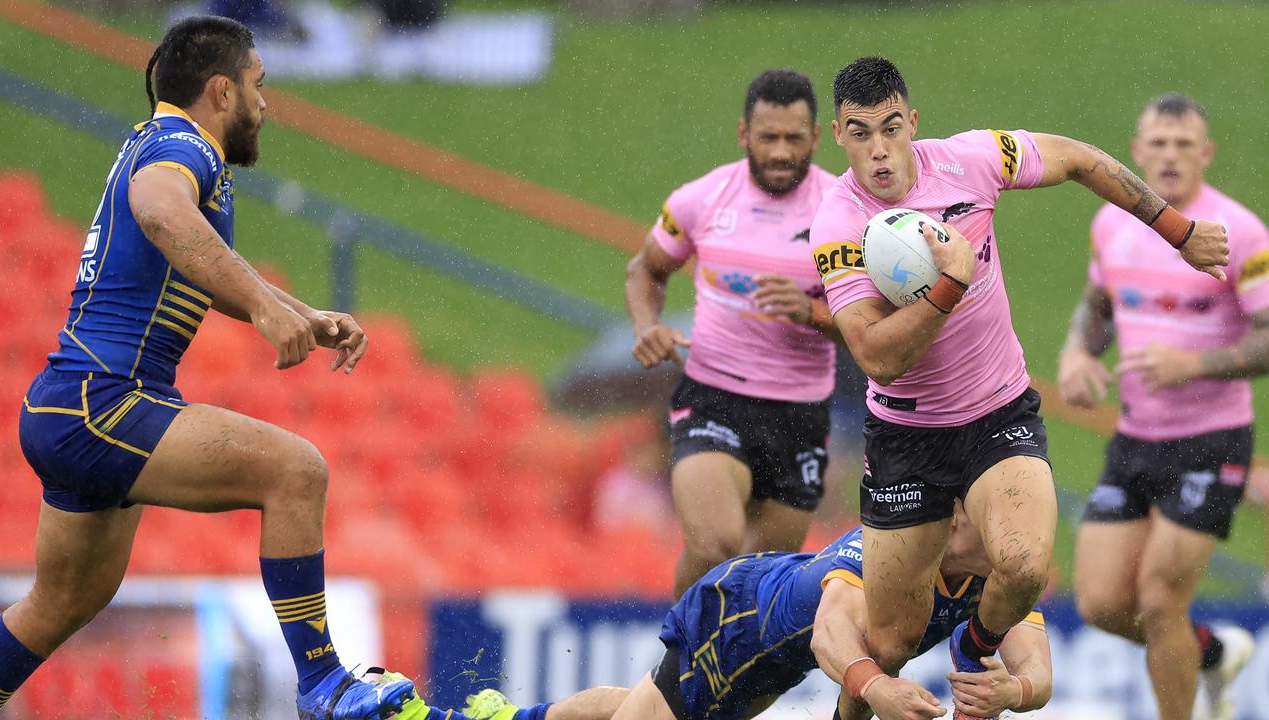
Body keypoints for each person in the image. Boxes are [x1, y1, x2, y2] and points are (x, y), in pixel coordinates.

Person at [0, 17, 414, 719]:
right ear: (221, 90)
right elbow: (158, 211)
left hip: (70, 404)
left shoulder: (156, 142)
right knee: (295, 470)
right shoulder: (184, 146)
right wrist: (267, 310)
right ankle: (324, 685)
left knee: (60, 603)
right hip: (106, 400)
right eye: (257, 85)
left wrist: (295, 312)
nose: (265, 103)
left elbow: (194, 265)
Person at [807, 57, 1229, 720]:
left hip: (997, 413)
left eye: (891, 128)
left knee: (1026, 563)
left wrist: (1176, 229)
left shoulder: (971, 160)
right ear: (838, 134)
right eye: (861, 133)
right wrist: (951, 285)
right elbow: (874, 356)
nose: (880, 151)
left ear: (913, 122)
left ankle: (973, 655)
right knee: (889, 645)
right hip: (907, 436)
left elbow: (1079, 158)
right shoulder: (837, 222)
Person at [384, 501, 1052, 720]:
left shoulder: (1004, 580)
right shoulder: (896, 554)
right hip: (741, 622)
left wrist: (1014, 691)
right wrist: (877, 688)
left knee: (655, 708)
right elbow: (832, 635)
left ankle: (508, 717)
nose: (962, 520)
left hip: (769, 641)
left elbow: (1038, 672)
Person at [1058, 93, 1267, 720]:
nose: (1171, 156)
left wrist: (1192, 365)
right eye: (1159, 144)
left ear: (1206, 153)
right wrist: (1077, 355)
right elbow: (1097, 307)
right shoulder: (1112, 224)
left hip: (1214, 440)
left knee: (1158, 600)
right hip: (1135, 438)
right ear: (1136, 152)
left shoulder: (1243, 232)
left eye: (1184, 144)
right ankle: (1211, 651)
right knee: (1099, 603)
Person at [624, 68, 845, 599]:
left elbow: (880, 323)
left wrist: (811, 312)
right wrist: (647, 325)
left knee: (762, 584)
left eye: (794, 138)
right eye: (768, 137)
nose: (780, 151)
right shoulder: (702, 200)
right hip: (714, 399)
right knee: (714, 544)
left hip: (800, 413)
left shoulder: (846, 212)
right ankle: (674, 668)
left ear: (817, 137)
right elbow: (645, 270)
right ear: (744, 134)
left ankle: (733, 679)